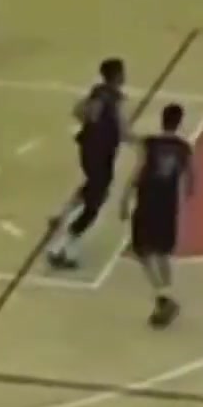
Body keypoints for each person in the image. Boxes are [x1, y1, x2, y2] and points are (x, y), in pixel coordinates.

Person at [46, 58, 127, 269]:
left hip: (95, 151)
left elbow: (78, 111)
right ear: (117, 75)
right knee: (94, 205)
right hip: (98, 152)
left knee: (92, 188)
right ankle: (60, 249)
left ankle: (62, 215)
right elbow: (103, 119)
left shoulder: (100, 92)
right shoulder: (109, 97)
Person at [120, 103, 194, 327]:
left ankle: (164, 298)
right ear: (179, 122)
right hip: (168, 204)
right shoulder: (184, 149)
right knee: (162, 253)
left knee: (142, 251)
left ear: (162, 120)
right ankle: (166, 296)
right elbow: (191, 181)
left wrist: (125, 197)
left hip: (147, 201)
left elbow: (138, 170)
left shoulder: (149, 143)